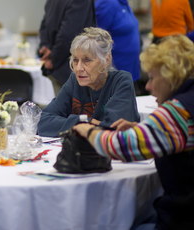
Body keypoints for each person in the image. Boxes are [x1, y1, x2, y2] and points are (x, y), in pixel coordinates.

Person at [74, 35, 194, 229]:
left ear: (172, 77)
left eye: (153, 78)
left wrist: (87, 130)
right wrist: (141, 130)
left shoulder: (178, 111)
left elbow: (121, 147)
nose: (147, 86)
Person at [37, 27, 139, 137]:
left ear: (106, 60)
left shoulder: (121, 81)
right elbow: (42, 121)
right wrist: (86, 122)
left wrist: (70, 123)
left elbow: (114, 130)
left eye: (87, 60)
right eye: (76, 60)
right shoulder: (75, 80)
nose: (79, 68)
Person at [39, 0, 99, 96]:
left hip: (59, 69)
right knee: (73, 117)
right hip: (69, 71)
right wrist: (53, 58)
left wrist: (45, 48)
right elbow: (69, 36)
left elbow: (45, 24)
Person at [95, 0, 141, 82]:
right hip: (115, 77)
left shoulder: (122, 1)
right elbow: (96, 40)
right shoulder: (108, 3)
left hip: (127, 72)